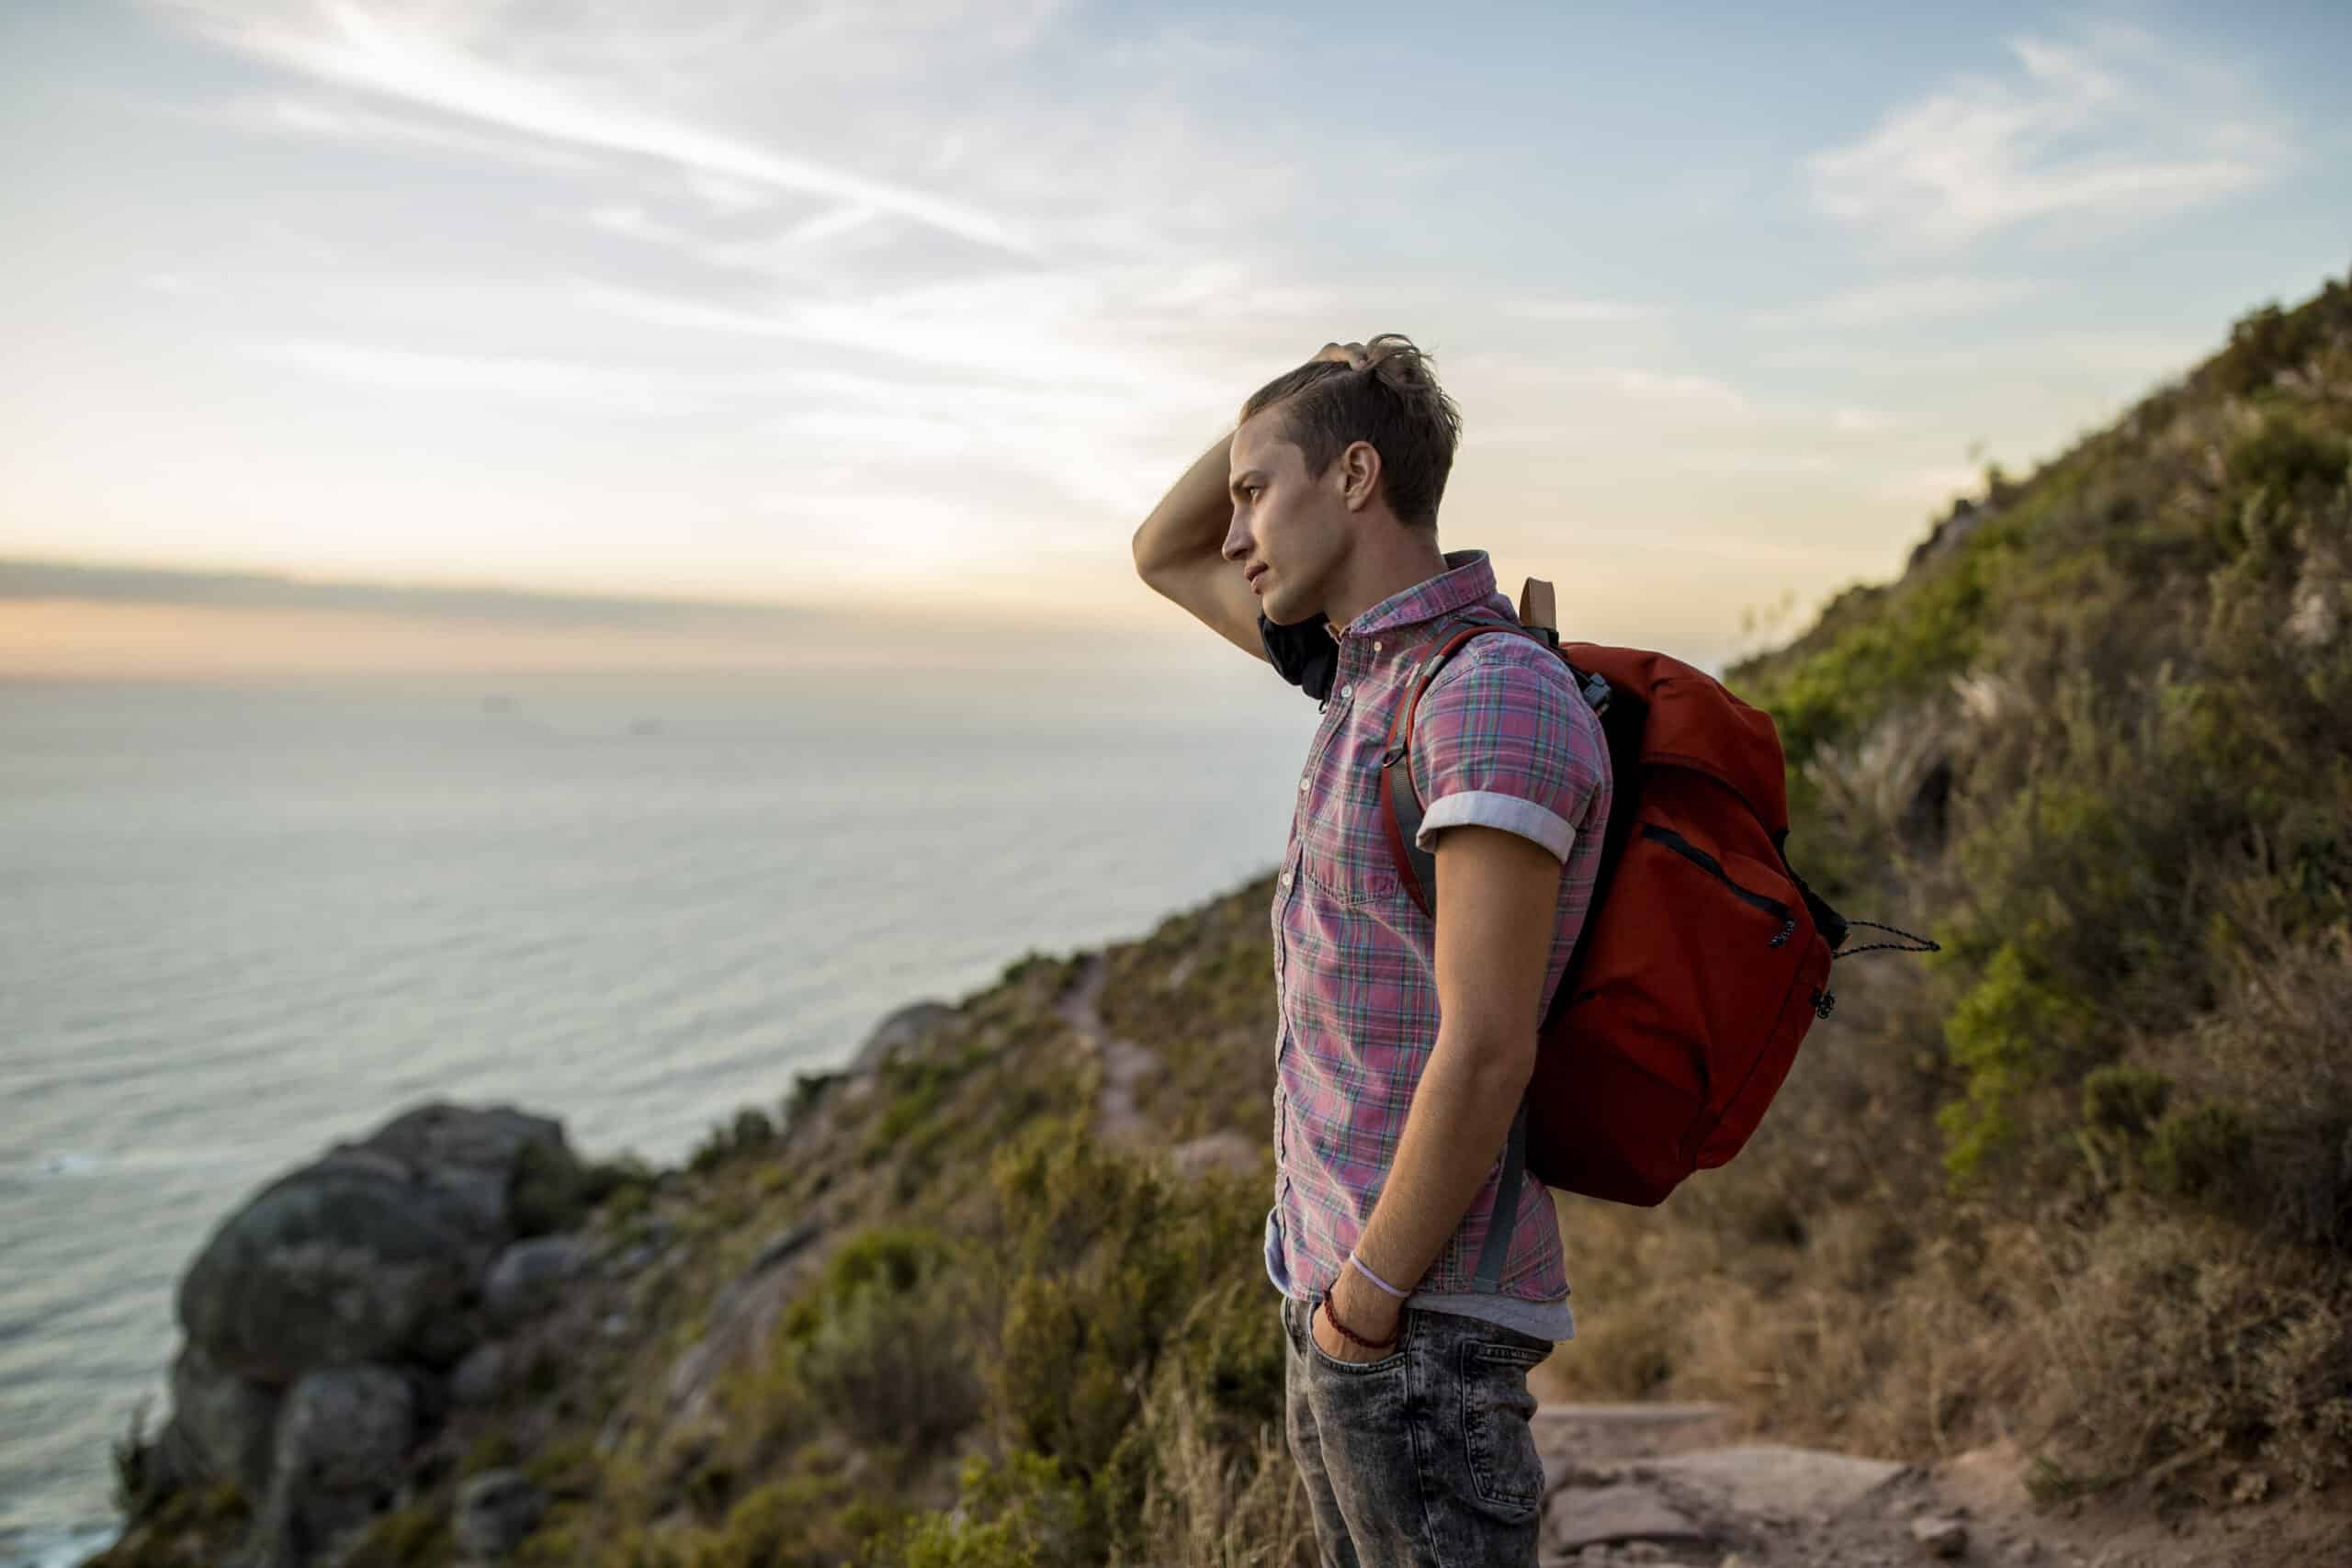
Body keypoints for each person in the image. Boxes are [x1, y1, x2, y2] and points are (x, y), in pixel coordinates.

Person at [1131, 335, 1611, 1565]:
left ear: (1353, 479)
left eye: (1256, 491)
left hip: (1417, 1317)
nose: (1234, 531)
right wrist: (1289, 396)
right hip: (1343, 1296)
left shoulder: (1483, 695)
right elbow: (1160, 552)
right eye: (1233, 493)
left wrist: (1366, 1308)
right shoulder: (1362, 676)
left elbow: (1490, 1047)